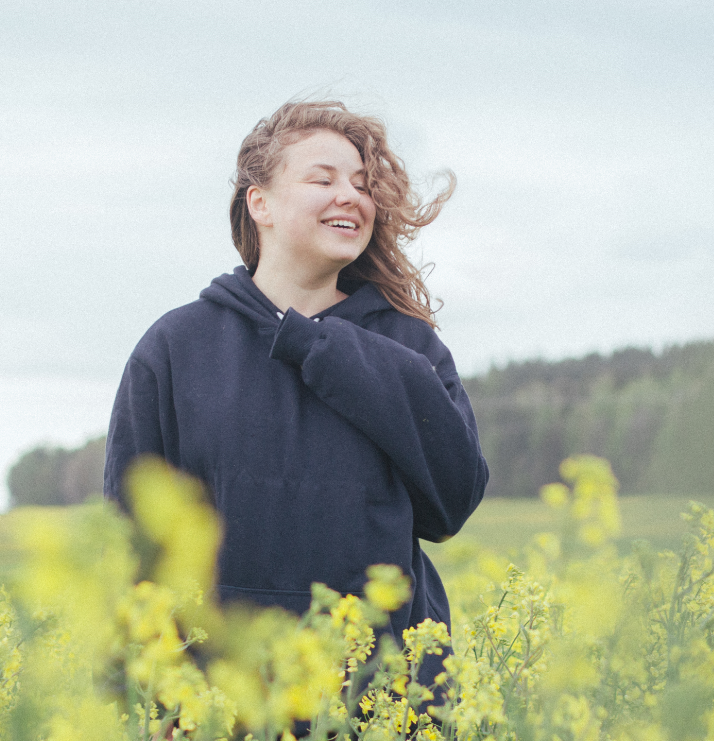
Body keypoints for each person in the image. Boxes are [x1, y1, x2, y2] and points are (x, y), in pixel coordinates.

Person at [104, 99, 489, 684]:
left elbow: (452, 503)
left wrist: (324, 349)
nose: (351, 197)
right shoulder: (177, 348)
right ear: (260, 203)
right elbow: (131, 540)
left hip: (379, 698)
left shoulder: (411, 349)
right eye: (324, 178)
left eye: (362, 185)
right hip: (224, 700)